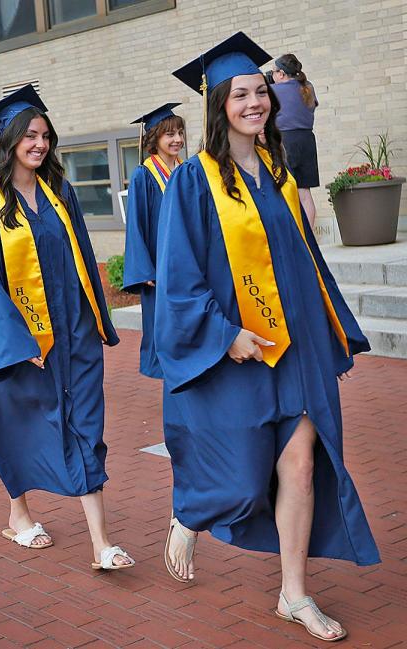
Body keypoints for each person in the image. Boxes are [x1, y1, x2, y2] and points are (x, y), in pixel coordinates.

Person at [160, 32, 379, 642]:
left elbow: (307, 259)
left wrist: (331, 332)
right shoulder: (194, 180)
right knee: (243, 472)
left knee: (302, 465)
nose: (255, 103)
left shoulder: (281, 173)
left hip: (298, 347)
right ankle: (191, 512)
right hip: (239, 350)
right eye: (241, 95)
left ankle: (295, 594)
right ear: (217, 106)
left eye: (262, 92)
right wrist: (224, 335)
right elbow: (181, 275)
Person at [0, 85, 132, 569]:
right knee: (19, 425)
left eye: (44, 135)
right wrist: (16, 340)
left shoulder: (60, 192)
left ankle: (101, 543)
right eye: (29, 135)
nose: (39, 144)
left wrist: (95, 320)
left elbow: (80, 257)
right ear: (8, 141)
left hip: (73, 334)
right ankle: (19, 513)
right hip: (20, 342)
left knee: (85, 424)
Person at [123, 103, 185, 379]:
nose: (177, 140)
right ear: (155, 138)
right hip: (159, 267)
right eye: (169, 134)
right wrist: (144, 267)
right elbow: (136, 223)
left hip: (187, 261)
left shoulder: (187, 170)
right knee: (164, 324)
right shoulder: (143, 175)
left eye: (180, 133)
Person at [271, 53, 320, 227]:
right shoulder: (308, 87)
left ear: (282, 74)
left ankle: (295, 235)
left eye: (274, 72)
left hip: (285, 141)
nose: (272, 76)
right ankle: (310, 238)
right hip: (307, 140)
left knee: (285, 190)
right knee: (304, 193)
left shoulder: (275, 90)